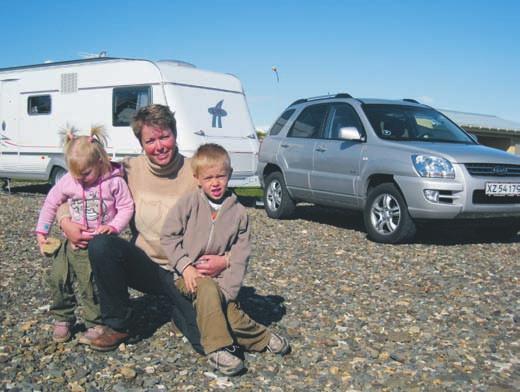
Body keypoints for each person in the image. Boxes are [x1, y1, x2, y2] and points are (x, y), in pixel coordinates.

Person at [58, 104, 225, 352]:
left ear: (175, 134)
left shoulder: (196, 171)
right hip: (145, 266)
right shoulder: (127, 170)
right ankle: (117, 325)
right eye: (150, 140)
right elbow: (73, 187)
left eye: (164, 136)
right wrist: (65, 221)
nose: (159, 146)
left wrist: (225, 260)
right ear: (141, 144)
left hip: (184, 271)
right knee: (103, 245)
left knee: (205, 342)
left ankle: (180, 313)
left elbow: (233, 220)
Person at [160, 143, 290, 376]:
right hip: (188, 278)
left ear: (229, 175)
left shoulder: (239, 213)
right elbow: (169, 237)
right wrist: (185, 266)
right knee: (207, 288)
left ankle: (264, 337)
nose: (215, 182)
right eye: (208, 177)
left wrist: (228, 294)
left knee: (231, 316)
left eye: (221, 175)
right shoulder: (188, 204)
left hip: (222, 282)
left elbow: (241, 254)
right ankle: (217, 350)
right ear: (197, 178)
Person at [35, 126, 134, 344]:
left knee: (91, 283)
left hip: (99, 242)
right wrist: (42, 231)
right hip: (71, 241)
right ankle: (63, 317)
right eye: (76, 175)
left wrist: (115, 226)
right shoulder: (70, 181)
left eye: (86, 174)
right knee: (59, 277)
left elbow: (127, 207)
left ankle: (94, 321)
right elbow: (51, 203)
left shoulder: (114, 182)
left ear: (100, 162)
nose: (81, 180)